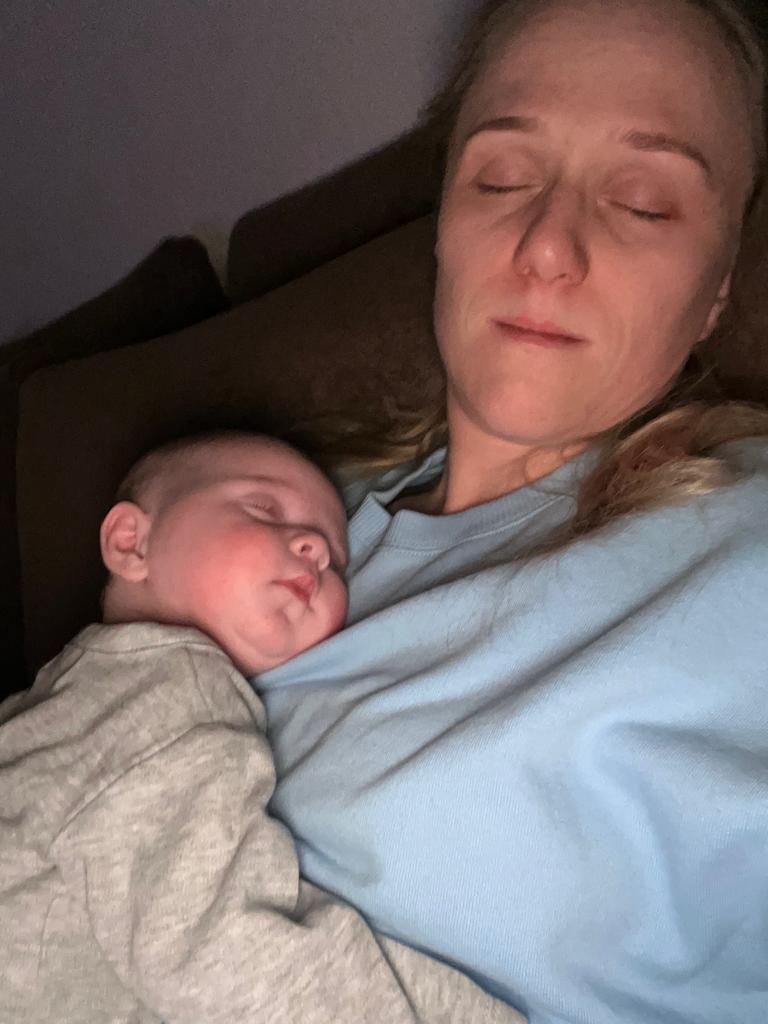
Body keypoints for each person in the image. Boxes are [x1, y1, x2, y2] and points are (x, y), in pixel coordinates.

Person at [255, 2, 768, 1022]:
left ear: (718, 292)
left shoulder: (743, 545)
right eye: (502, 178)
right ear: (445, 223)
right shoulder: (284, 513)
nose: (546, 246)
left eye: (643, 203)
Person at [0, 431, 525, 1024]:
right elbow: (225, 953)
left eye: (336, 561)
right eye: (263, 510)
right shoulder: (160, 701)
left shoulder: (84, 693)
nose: (315, 550)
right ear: (132, 543)